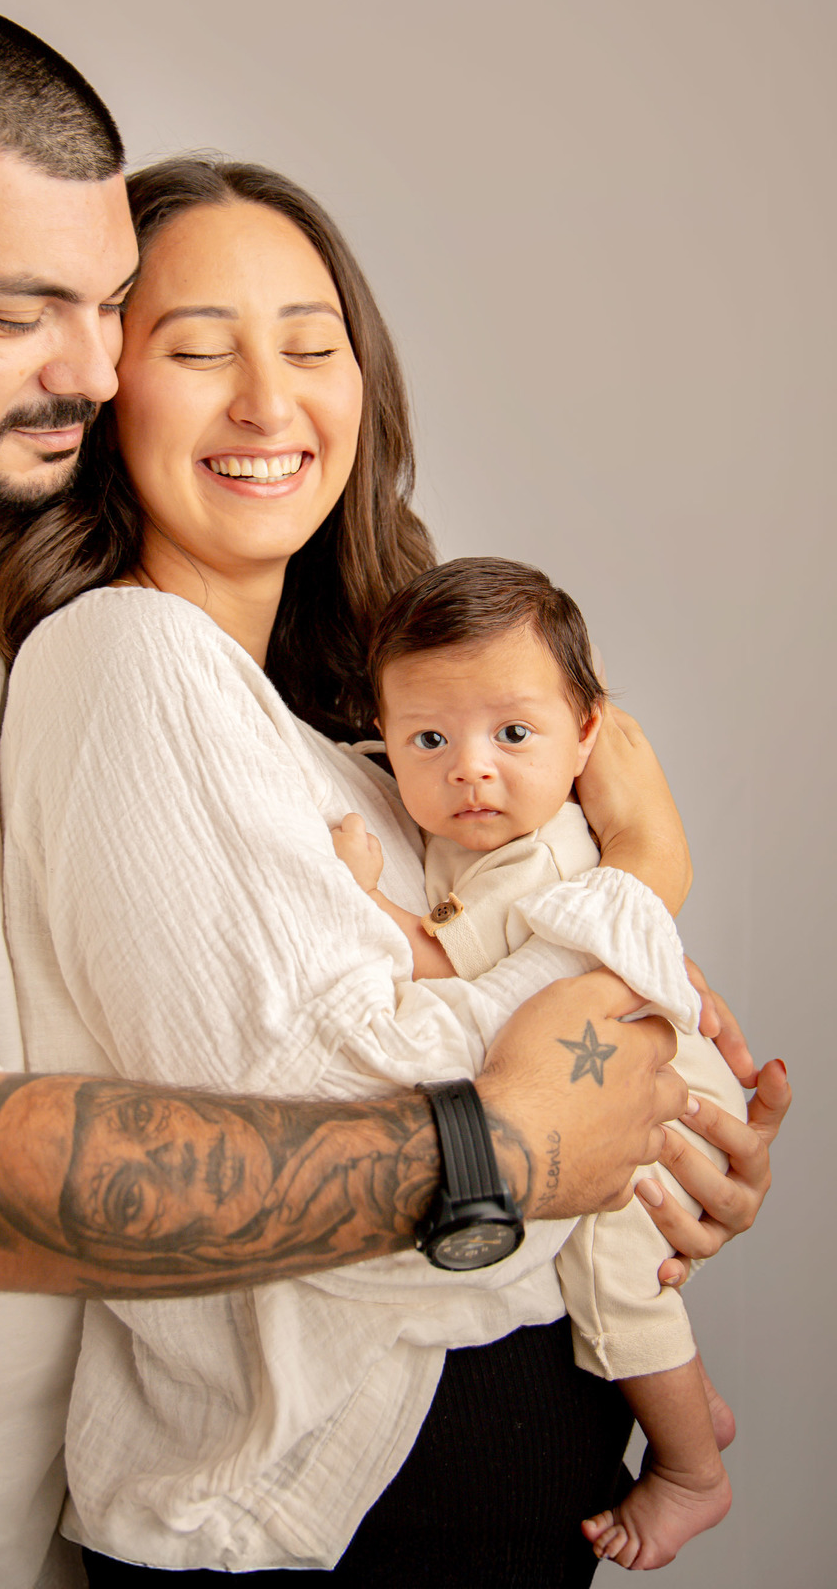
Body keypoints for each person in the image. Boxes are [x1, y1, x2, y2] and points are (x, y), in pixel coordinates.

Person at [0, 0, 784, 1589]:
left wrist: (647, 1129)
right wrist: (541, 1098)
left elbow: (478, 1055)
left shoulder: (41, 630)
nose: (90, 367)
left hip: (1, 1529)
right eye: (29, 312)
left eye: (111, 309)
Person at [0, 155, 780, 1586]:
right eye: (198, 350)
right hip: (310, 1529)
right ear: (104, 394)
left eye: (311, 346)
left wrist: (662, 1133)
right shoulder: (125, 656)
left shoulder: (345, 737)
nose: (266, 404)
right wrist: (640, 894)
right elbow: (360, 1135)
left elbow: (539, 1100)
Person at [330, 555, 746, 1571]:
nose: (470, 770)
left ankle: (691, 1470)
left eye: (513, 735)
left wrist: (358, 893)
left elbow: (436, 960)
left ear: (586, 737)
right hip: (611, 1068)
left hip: (655, 1094)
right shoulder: (470, 820)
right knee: (613, 1269)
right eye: (430, 740)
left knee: (611, 1274)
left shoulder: (539, 856)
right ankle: (695, 1401)